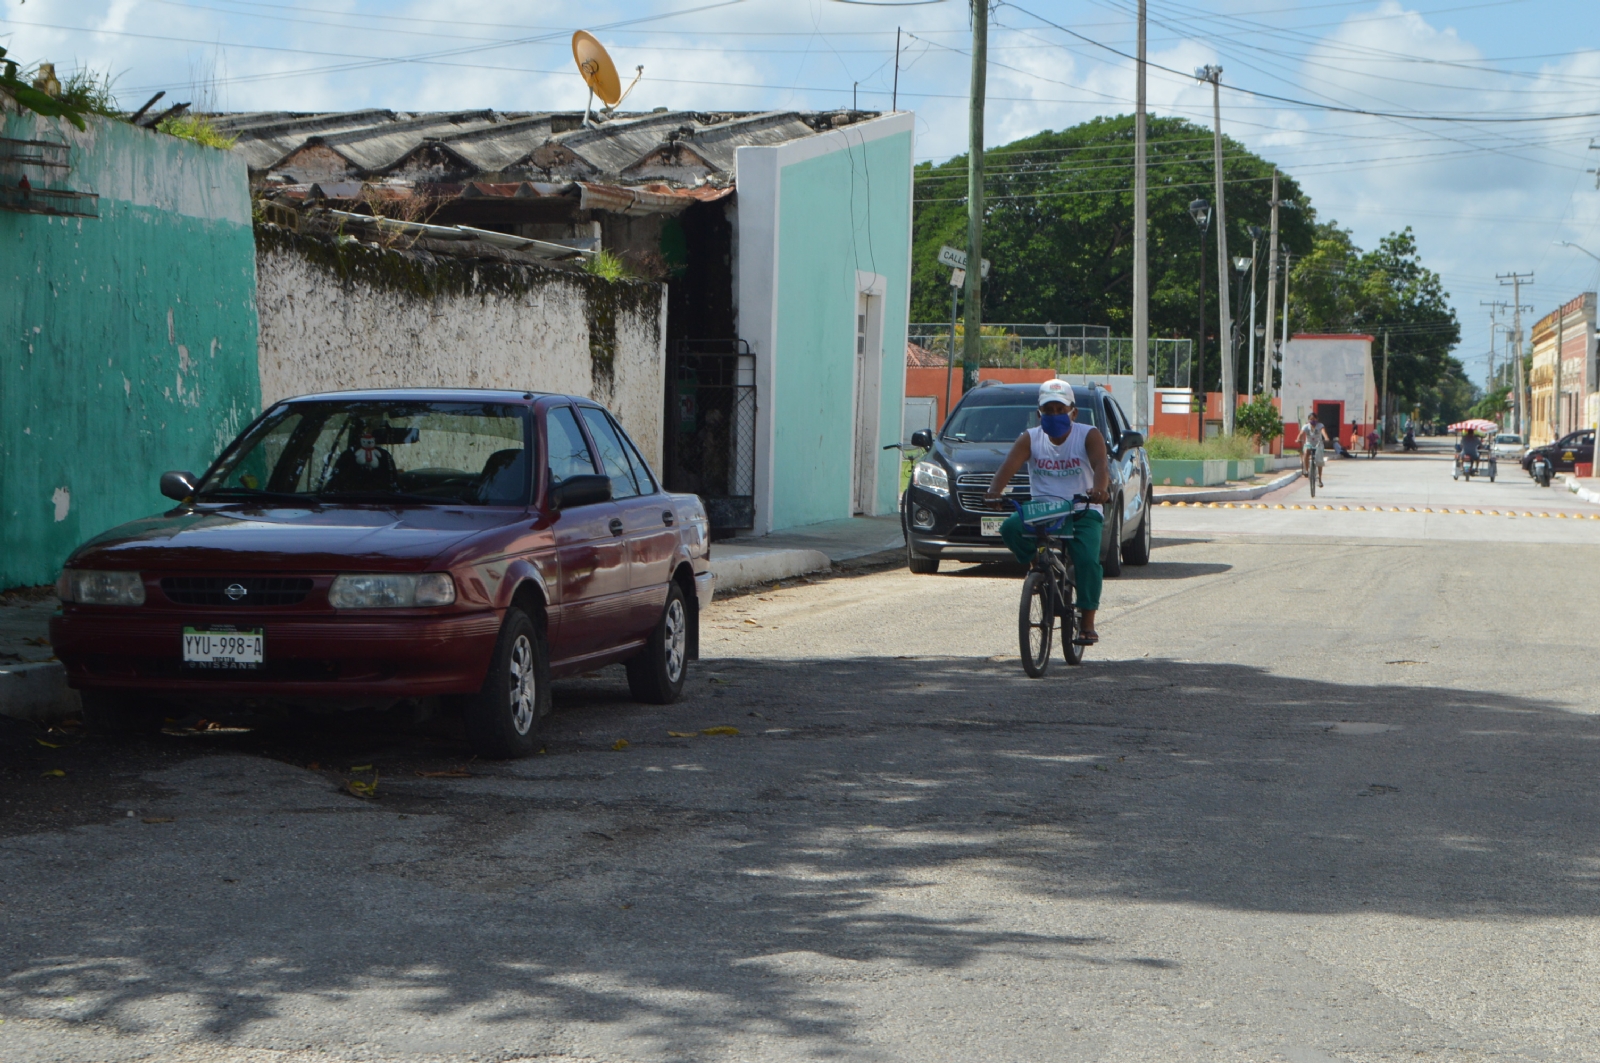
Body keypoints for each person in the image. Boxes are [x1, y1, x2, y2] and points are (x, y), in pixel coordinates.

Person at [984, 379, 1111, 645]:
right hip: (1044, 508)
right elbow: (1008, 466)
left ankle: (1087, 623)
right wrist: (995, 492)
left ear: (1073, 412)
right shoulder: (1030, 438)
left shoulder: (1089, 435)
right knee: (1009, 528)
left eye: (1060, 409)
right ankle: (1038, 568)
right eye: (1048, 410)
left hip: (1081, 508)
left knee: (1087, 561)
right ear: (1039, 413)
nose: (1054, 415)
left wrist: (1099, 490)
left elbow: (1100, 464)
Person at [1300, 414, 1327, 486]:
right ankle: (1306, 470)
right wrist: (1298, 438)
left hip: (1318, 444)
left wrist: (1326, 438)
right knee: (1306, 452)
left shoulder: (1320, 425)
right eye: (1311, 419)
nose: (1313, 421)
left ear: (1317, 419)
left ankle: (1320, 479)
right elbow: (1301, 433)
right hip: (1309, 443)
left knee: (1319, 461)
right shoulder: (1306, 426)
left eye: (1314, 419)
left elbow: (1323, 432)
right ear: (1308, 420)